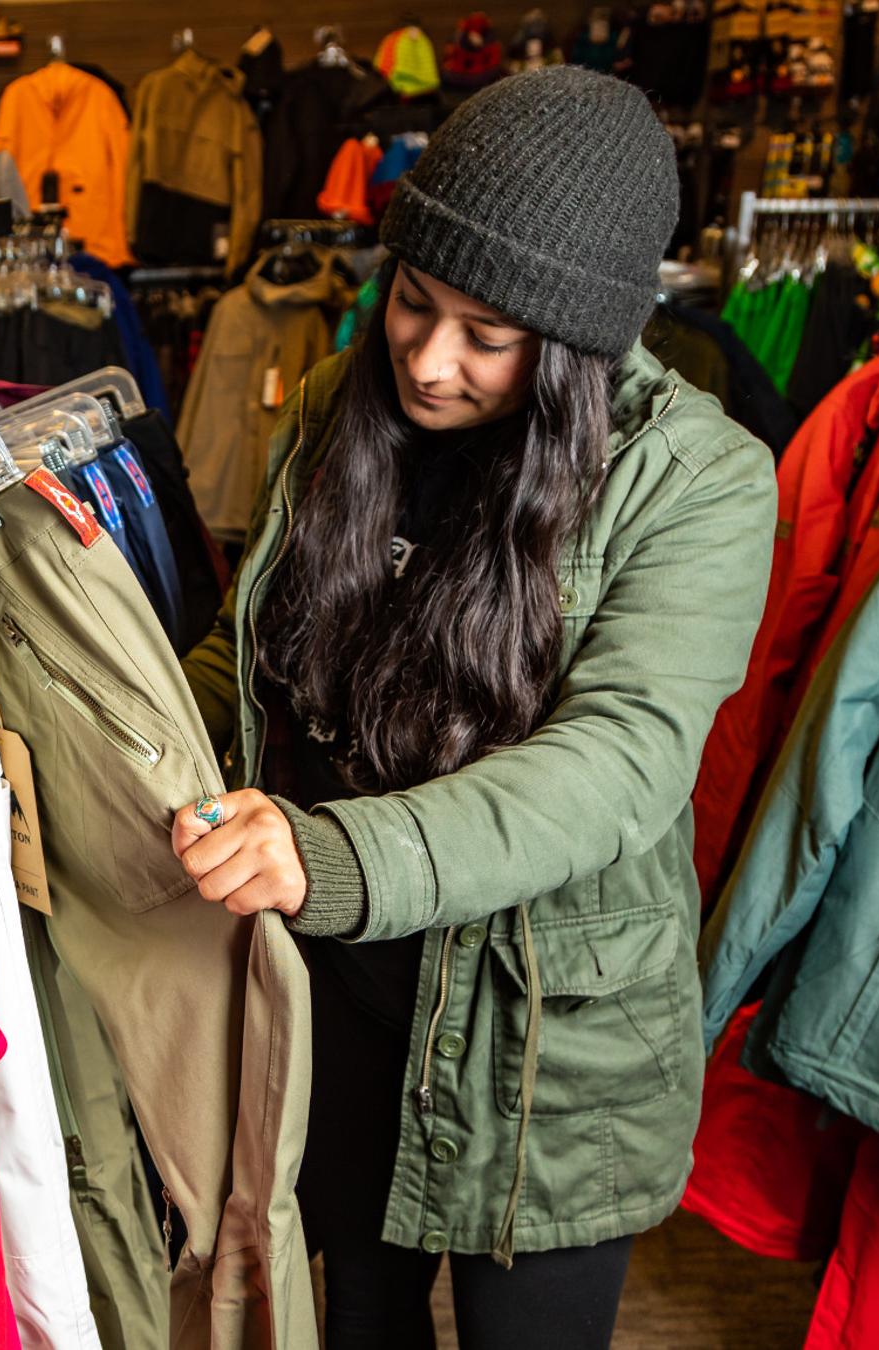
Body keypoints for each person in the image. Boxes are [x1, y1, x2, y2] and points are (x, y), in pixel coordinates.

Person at [175, 66, 775, 1350]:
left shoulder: (699, 480)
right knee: (356, 1321)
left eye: (487, 337)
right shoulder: (344, 408)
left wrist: (330, 856)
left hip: (551, 1046)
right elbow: (262, 657)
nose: (429, 361)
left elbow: (617, 763)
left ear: (571, 349)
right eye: (413, 302)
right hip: (337, 999)